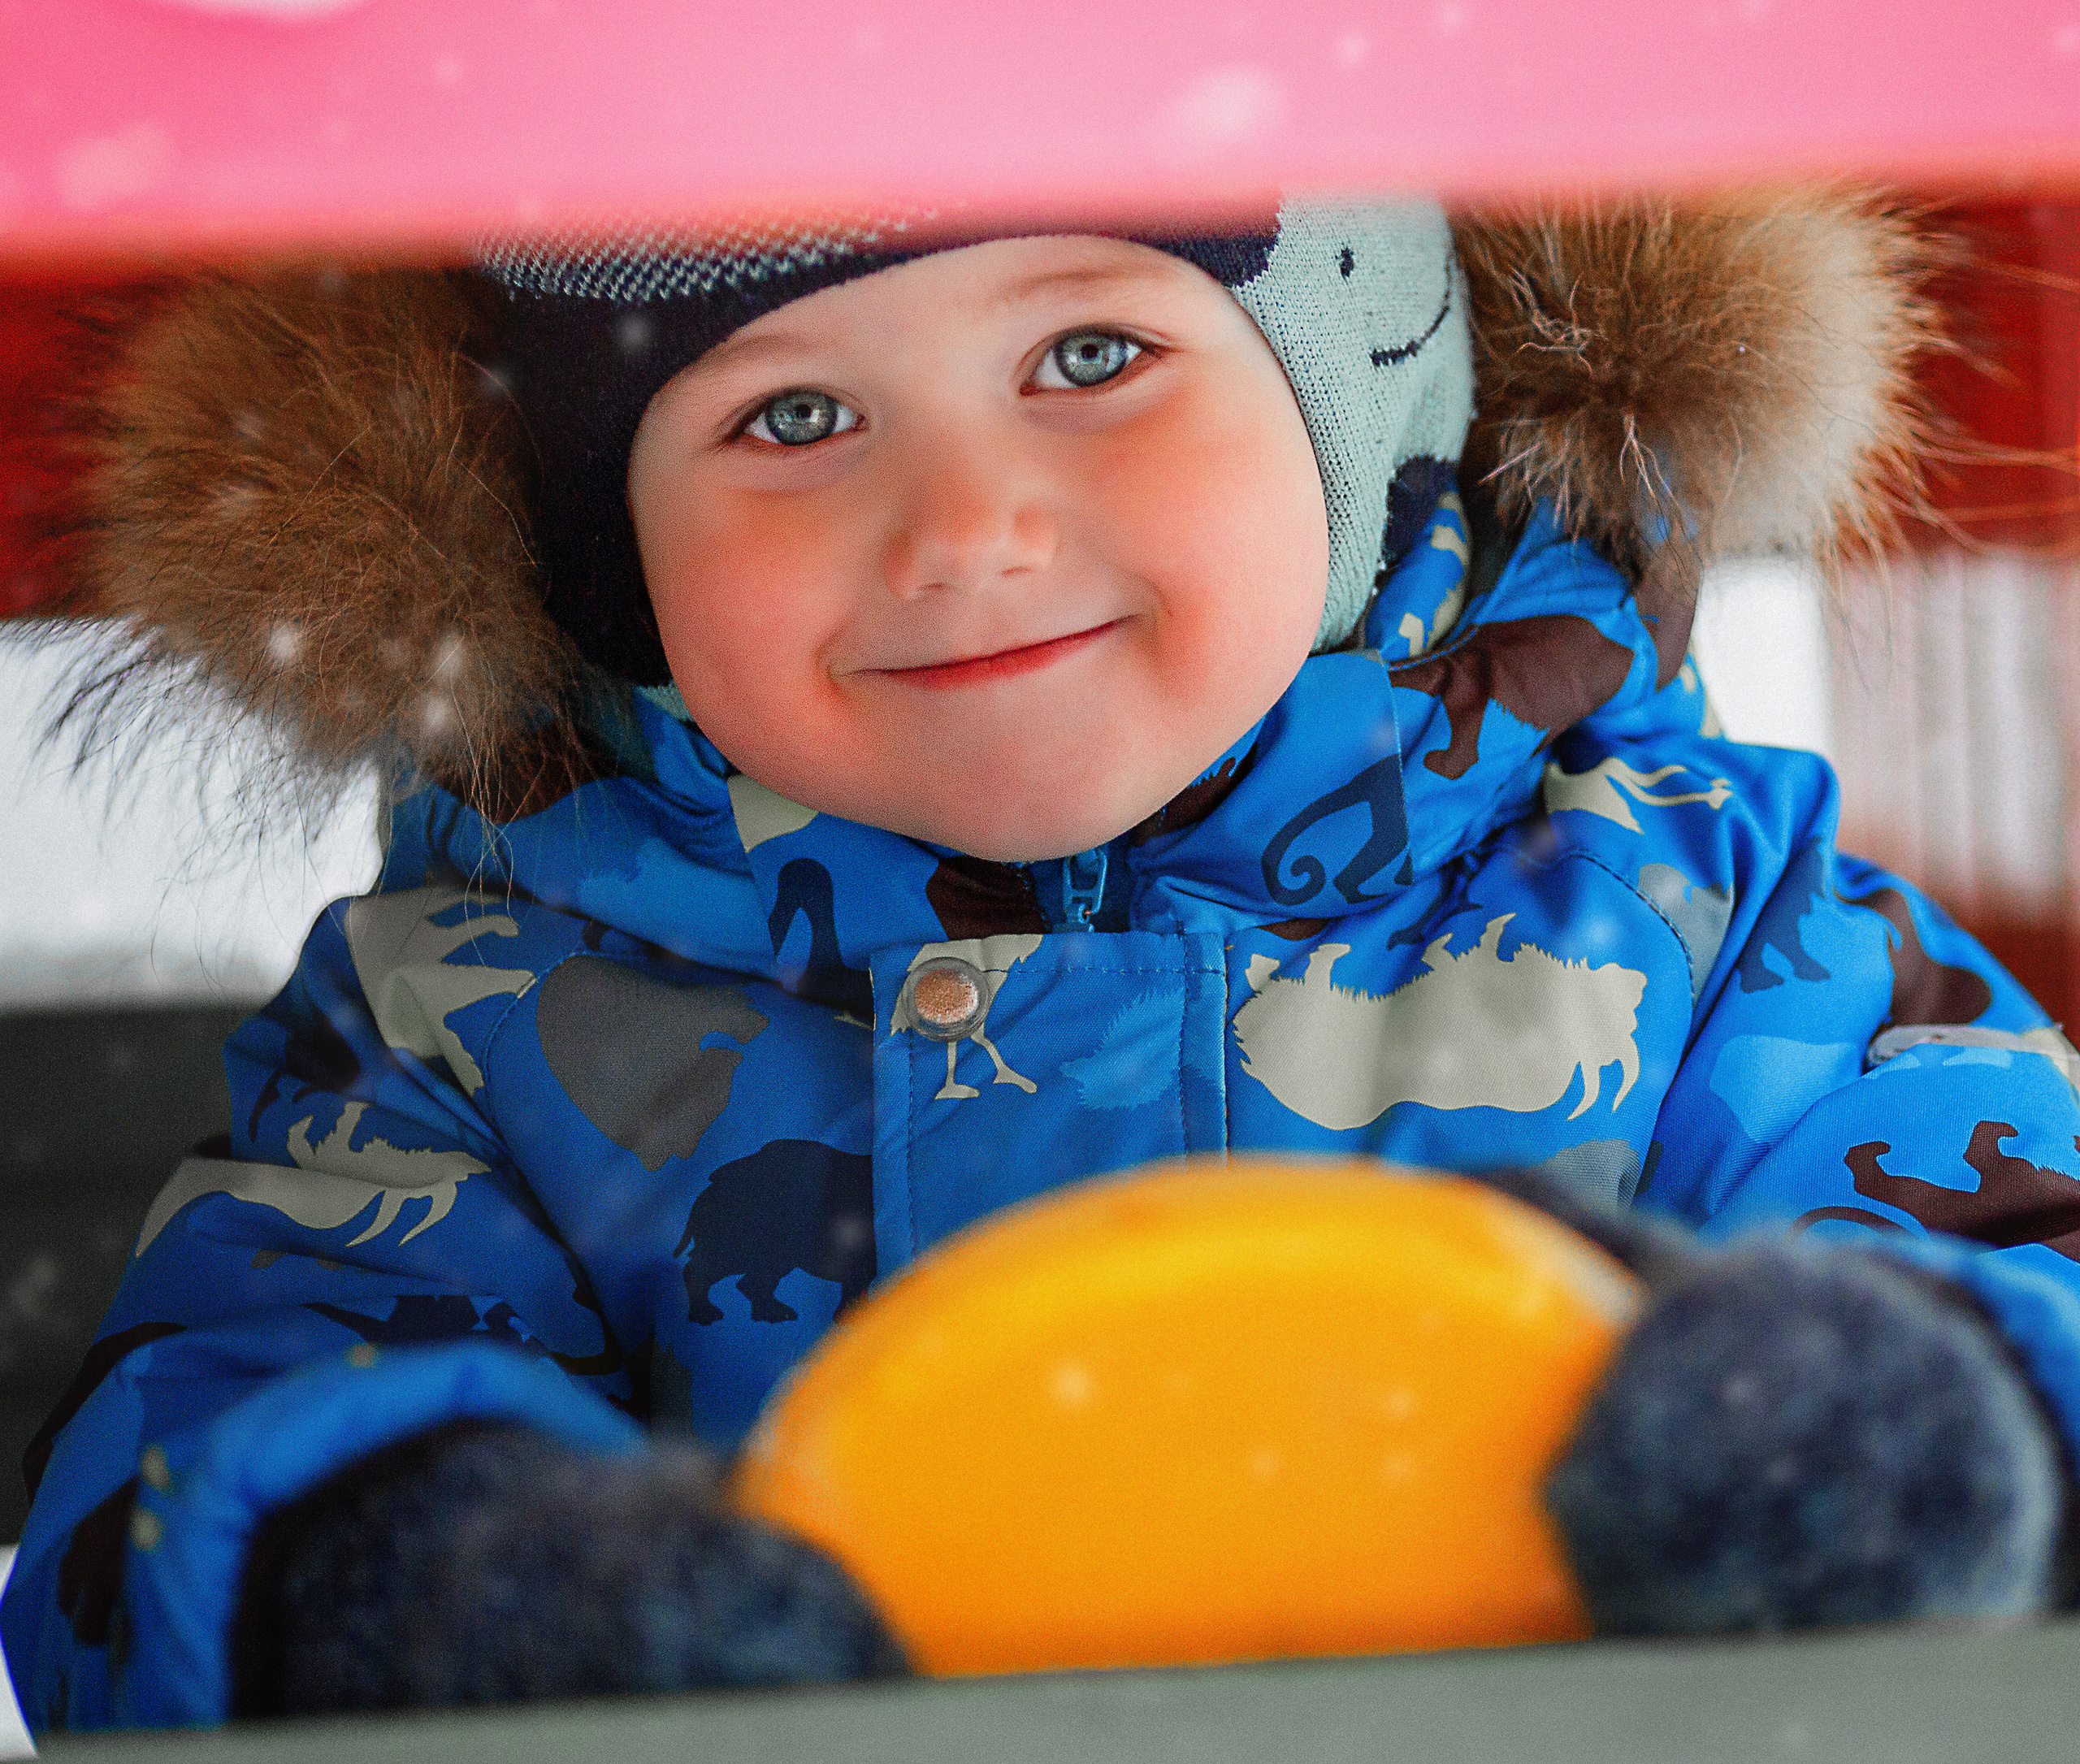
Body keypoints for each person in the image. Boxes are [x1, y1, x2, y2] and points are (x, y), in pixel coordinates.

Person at [8, 193, 2080, 1728]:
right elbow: (187, 1464)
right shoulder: (478, 1018)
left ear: (1361, 406)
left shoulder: (1696, 910)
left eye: (1091, 356)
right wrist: (431, 1590)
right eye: (793, 414)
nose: (962, 523)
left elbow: (2016, 1238)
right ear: (600, 556)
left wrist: (1928, 1430)